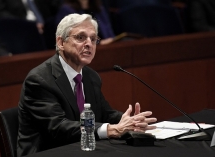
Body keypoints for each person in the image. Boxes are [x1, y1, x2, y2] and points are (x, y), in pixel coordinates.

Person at [17, 13, 157, 157]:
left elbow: (105, 113)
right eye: (81, 37)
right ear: (60, 42)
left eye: (93, 39)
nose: (89, 44)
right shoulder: (40, 80)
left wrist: (129, 121)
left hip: (81, 150)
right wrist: (112, 130)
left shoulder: (91, 76)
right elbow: (58, 127)